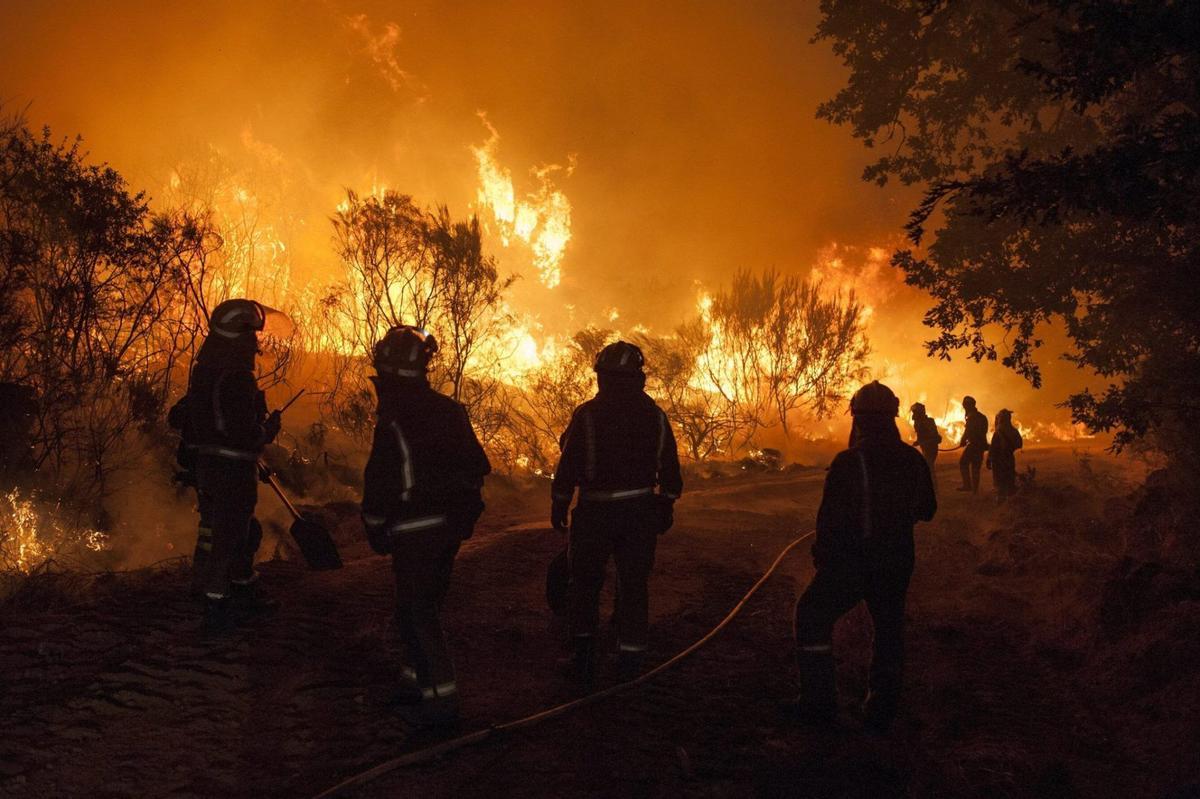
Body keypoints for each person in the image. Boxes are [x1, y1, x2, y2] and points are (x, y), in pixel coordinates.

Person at [360, 325, 490, 729]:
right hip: (447, 528)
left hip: (414, 529)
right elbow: (477, 468)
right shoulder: (451, 411)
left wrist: (374, 524)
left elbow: (380, 480)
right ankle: (414, 681)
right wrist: (464, 518)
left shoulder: (395, 419)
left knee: (418, 612)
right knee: (421, 605)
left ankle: (442, 705)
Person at [787, 381, 936, 732]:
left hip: (855, 562)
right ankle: (882, 706)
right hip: (897, 560)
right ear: (893, 418)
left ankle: (818, 703)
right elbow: (927, 510)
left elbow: (830, 520)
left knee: (811, 616)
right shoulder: (912, 460)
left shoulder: (849, 461)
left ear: (858, 420)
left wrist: (824, 557)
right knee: (888, 627)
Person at [551, 340, 683, 686]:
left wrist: (560, 501)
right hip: (638, 513)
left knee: (584, 584)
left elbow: (568, 464)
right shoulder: (654, 416)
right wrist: (666, 502)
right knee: (634, 585)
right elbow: (669, 466)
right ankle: (631, 659)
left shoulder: (587, 415)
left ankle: (582, 658)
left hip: (595, 512)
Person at [185, 298, 280, 632]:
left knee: (236, 532)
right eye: (251, 334)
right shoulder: (235, 377)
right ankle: (218, 610)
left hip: (210, 466)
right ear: (239, 335)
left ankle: (238, 591)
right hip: (232, 470)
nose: (256, 342)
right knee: (231, 539)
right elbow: (240, 431)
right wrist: (265, 431)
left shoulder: (207, 370)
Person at [988, 409, 1023, 502]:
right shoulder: (1013, 430)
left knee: (999, 479)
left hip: (998, 460)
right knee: (1009, 476)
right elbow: (1019, 444)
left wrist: (989, 459)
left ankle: (1001, 499)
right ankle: (1012, 499)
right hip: (1009, 457)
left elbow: (993, 447)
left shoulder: (998, 431)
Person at [957, 395, 989, 493]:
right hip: (981, 445)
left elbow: (968, 431)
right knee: (976, 466)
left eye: (965, 405)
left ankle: (967, 486)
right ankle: (974, 489)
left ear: (968, 406)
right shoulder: (982, 417)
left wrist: (963, 440)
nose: (964, 407)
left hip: (974, 445)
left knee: (963, 462)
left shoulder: (972, 417)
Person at [909, 402, 941, 477]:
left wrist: (924, 442)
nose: (913, 414)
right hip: (925, 448)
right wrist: (918, 442)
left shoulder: (929, 422)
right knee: (928, 467)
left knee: (929, 467)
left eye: (915, 412)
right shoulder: (917, 423)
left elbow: (934, 437)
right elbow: (921, 436)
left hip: (931, 448)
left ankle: (933, 486)